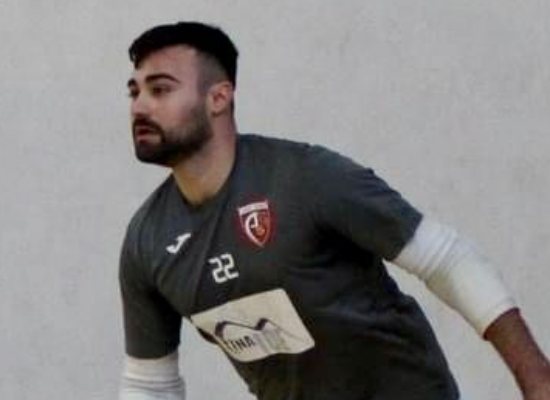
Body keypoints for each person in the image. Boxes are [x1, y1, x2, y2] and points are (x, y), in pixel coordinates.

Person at [118, 21, 550, 400]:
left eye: (160, 89)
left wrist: (537, 380)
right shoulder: (147, 242)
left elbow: (447, 260)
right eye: (134, 92)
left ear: (219, 97)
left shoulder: (308, 179)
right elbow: (150, 385)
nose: (139, 106)